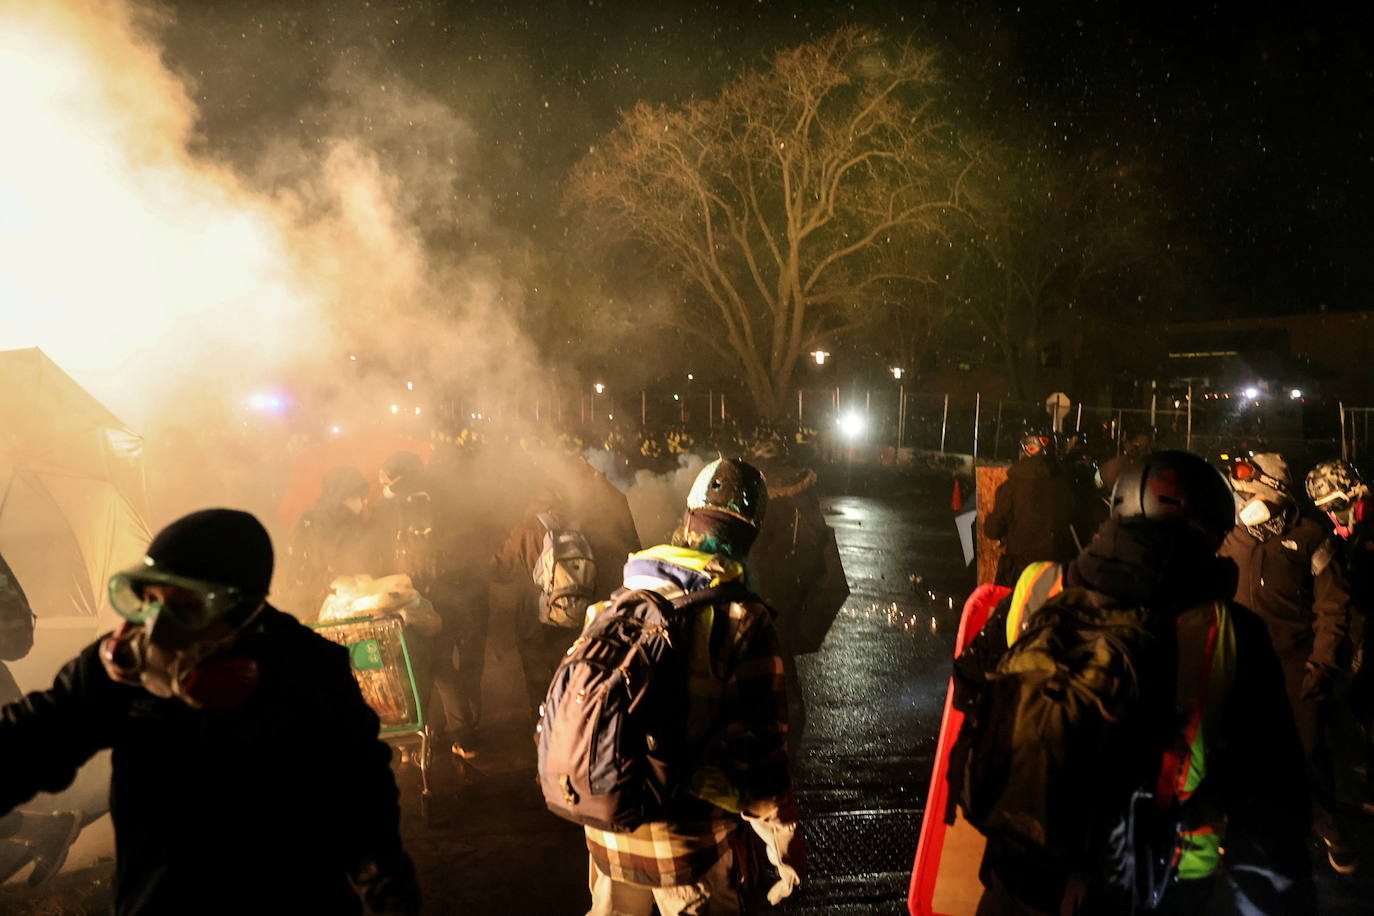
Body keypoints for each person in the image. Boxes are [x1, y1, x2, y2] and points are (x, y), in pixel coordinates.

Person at [0, 509, 419, 914]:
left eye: (185, 608)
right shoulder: (123, 667)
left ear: (242, 609)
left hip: (292, 896)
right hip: (161, 898)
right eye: (150, 600)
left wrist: (380, 865)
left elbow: (356, 780)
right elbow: (33, 739)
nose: (157, 628)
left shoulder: (306, 669)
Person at [956, 451, 1314, 914]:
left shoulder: (1037, 587)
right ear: (1213, 531)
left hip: (1020, 879)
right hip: (1156, 887)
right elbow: (1270, 817)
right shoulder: (1228, 632)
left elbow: (970, 689)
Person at [583, 458, 804, 915]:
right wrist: (785, 854)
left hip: (607, 828)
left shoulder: (622, 599)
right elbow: (761, 762)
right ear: (750, 535)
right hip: (686, 848)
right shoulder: (743, 619)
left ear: (687, 519)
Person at [1221, 451, 1357, 874]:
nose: (1244, 502)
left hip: (1297, 662)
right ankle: (1235, 823)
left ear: (1274, 493)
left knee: (1308, 749)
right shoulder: (1231, 538)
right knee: (1238, 747)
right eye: (1240, 494)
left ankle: (1326, 823)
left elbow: (1333, 606)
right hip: (1240, 662)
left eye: (1250, 492)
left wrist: (1322, 663)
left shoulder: (1312, 536)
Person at [376, 450, 483, 759]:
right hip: (444, 596)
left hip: (406, 596)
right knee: (444, 667)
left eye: (387, 475)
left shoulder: (389, 509)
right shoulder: (440, 500)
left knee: (412, 669)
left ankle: (414, 740)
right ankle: (463, 738)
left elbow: (381, 552)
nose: (383, 481)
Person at [746, 438, 848, 756]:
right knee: (782, 655)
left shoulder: (758, 492)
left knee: (761, 657)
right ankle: (790, 723)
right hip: (792, 585)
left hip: (761, 586)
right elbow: (817, 536)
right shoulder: (802, 489)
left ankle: (776, 729)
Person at [1307, 458, 1374, 809]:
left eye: (1336, 505)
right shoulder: (1346, 534)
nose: (1332, 514)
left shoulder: (1369, 528)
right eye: (1324, 509)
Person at [985, 430, 1080, 587]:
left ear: (1024, 452)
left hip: (1022, 572)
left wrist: (989, 520)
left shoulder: (1010, 487)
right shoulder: (1066, 484)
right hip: (1057, 570)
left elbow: (993, 530)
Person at [280, 465, 377, 616]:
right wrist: (338, 580)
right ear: (343, 497)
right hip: (315, 603)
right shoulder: (317, 522)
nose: (362, 503)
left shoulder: (351, 522)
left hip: (341, 602)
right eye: (356, 497)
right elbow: (309, 564)